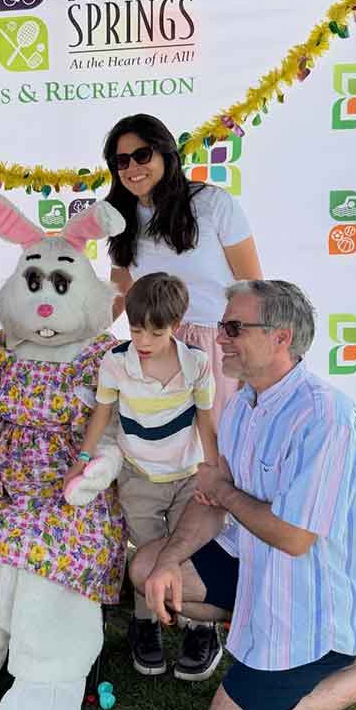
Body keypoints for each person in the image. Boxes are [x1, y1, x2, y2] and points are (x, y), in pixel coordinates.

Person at [132, 280, 356, 710]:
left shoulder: (326, 417)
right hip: (260, 569)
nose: (219, 338)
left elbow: (294, 539)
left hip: (316, 606)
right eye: (222, 326)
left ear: (281, 338)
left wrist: (222, 490)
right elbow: (213, 503)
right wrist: (172, 558)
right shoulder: (242, 403)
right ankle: (252, 637)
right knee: (148, 567)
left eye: (234, 327)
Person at [101, 114, 261, 668]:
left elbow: (251, 285)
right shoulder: (120, 220)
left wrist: (246, 352)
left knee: (213, 471)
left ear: (166, 152)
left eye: (142, 154)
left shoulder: (211, 204)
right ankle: (148, 610)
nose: (132, 168)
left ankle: (202, 615)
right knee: (146, 474)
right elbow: (123, 291)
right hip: (154, 356)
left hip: (218, 348)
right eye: (120, 161)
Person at [65, 271, 220, 678]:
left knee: (189, 549)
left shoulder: (197, 363)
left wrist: (213, 470)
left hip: (187, 475)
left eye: (155, 333)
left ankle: (199, 627)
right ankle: (145, 623)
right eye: (136, 331)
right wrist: (83, 456)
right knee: (148, 553)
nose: (144, 342)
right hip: (138, 477)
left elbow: (206, 420)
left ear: (177, 326)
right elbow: (101, 411)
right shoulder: (115, 361)